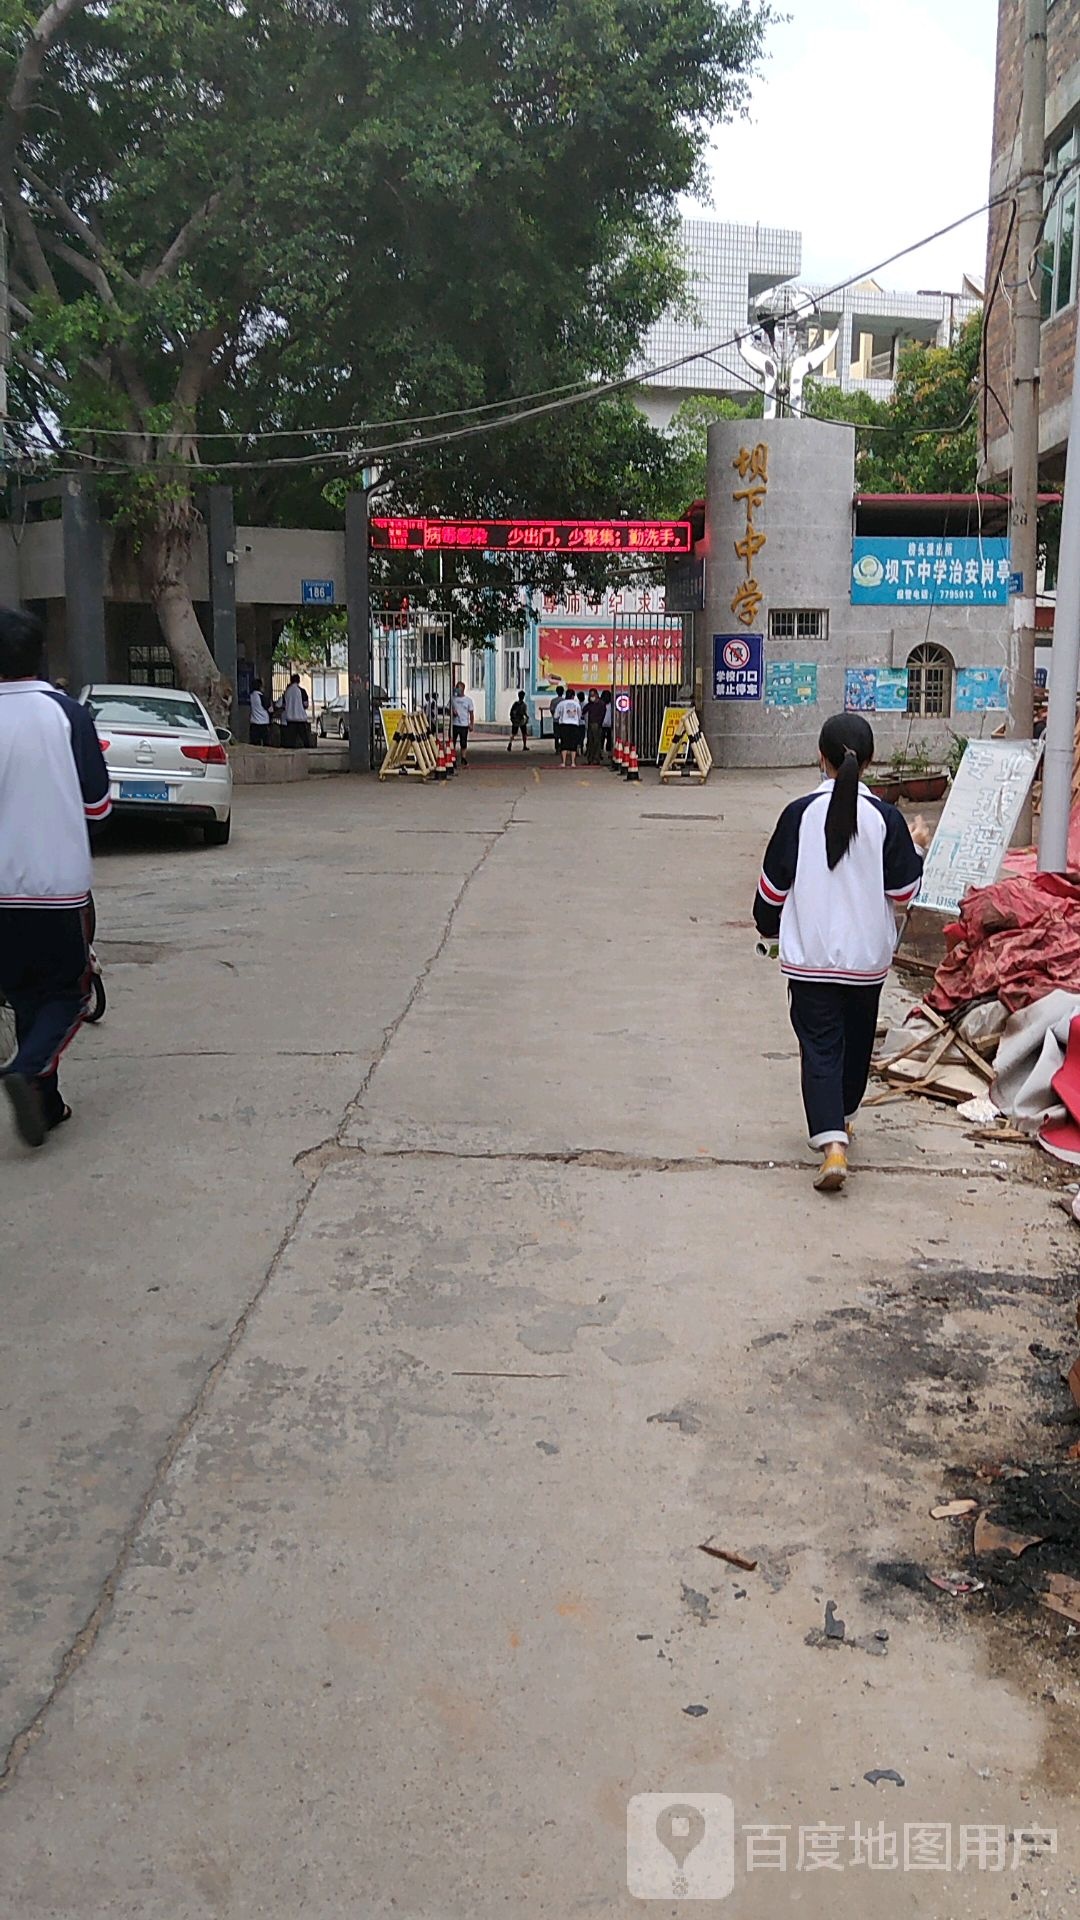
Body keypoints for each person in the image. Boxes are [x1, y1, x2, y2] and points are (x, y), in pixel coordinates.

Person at [753, 713, 929, 1194]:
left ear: (820, 756)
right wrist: (915, 846)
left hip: (810, 960)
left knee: (820, 1046)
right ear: (870, 761)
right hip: (865, 961)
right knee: (853, 1046)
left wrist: (767, 931)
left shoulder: (798, 814)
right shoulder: (886, 819)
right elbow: (905, 889)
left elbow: (771, 889)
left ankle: (832, 1146)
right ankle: (845, 1121)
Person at [0, 606, 111, 1147]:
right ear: (40, 655)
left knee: (24, 994)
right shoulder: (68, 715)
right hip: (55, 886)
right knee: (70, 993)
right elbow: (98, 808)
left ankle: (45, 1108)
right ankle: (28, 1070)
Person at [555, 686, 583, 768]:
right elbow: (580, 715)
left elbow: (556, 715)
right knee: (573, 744)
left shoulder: (561, 704)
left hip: (564, 725)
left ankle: (563, 762)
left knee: (564, 743)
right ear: (573, 696)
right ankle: (573, 763)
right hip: (574, 725)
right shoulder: (576, 704)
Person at [451, 681, 475, 766]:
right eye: (457, 688)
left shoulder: (468, 700)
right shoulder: (453, 699)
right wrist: (452, 711)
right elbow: (447, 708)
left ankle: (463, 758)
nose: (458, 690)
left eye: (459, 688)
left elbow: (471, 713)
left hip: (464, 725)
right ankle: (452, 758)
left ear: (463, 689)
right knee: (452, 742)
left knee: (463, 743)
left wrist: (471, 724)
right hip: (455, 724)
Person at [282, 673, 308, 748]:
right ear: (299, 681)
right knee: (304, 739)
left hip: (290, 719)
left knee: (290, 741)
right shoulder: (302, 691)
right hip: (300, 719)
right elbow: (305, 705)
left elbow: (284, 705)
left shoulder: (287, 692)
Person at [248, 676, 270, 746]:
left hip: (254, 722)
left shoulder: (252, 696)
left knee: (255, 744)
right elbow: (270, 709)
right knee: (265, 743)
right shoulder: (262, 697)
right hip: (263, 722)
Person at [585, 690, 604, 764]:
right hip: (590, 724)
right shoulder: (590, 704)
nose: (591, 697)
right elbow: (584, 710)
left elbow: (602, 714)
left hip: (597, 724)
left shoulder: (601, 704)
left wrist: (599, 723)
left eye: (592, 695)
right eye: (590, 696)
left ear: (596, 695)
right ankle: (590, 758)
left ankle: (596, 759)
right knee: (590, 742)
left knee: (596, 742)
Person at [549, 685, 564, 754]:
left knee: (556, 735)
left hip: (556, 720)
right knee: (563, 735)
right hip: (563, 721)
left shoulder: (553, 701)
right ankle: (562, 748)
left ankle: (557, 749)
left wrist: (554, 715)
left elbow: (551, 710)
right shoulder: (564, 701)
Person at [601, 689, 613, 759]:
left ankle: (608, 753)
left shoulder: (612, 705)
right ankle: (603, 753)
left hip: (608, 725)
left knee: (608, 740)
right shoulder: (610, 705)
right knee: (602, 740)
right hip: (604, 724)